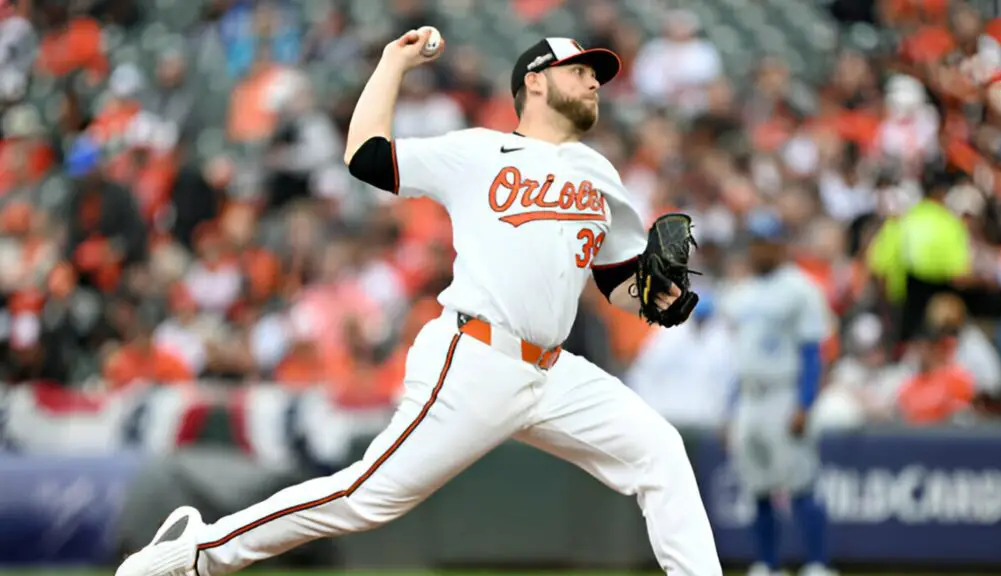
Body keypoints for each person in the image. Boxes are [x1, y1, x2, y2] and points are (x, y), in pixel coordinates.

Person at [115, 29, 722, 576]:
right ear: (534, 81)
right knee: (363, 498)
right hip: (477, 356)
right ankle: (197, 553)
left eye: (598, 75)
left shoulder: (598, 172)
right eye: (580, 70)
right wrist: (390, 64)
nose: (595, 81)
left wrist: (654, 297)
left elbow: (617, 279)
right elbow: (366, 156)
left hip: (554, 372)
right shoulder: (479, 152)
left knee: (659, 450)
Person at [719, 209, 837, 576]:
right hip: (750, 397)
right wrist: (730, 409)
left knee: (800, 482)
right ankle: (767, 565)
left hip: (784, 392)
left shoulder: (800, 288)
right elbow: (739, 358)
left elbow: (811, 351)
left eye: (767, 242)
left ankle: (817, 564)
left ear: (780, 245)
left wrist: (805, 403)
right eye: (756, 243)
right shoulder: (742, 291)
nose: (760, 250)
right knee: (757, 486)